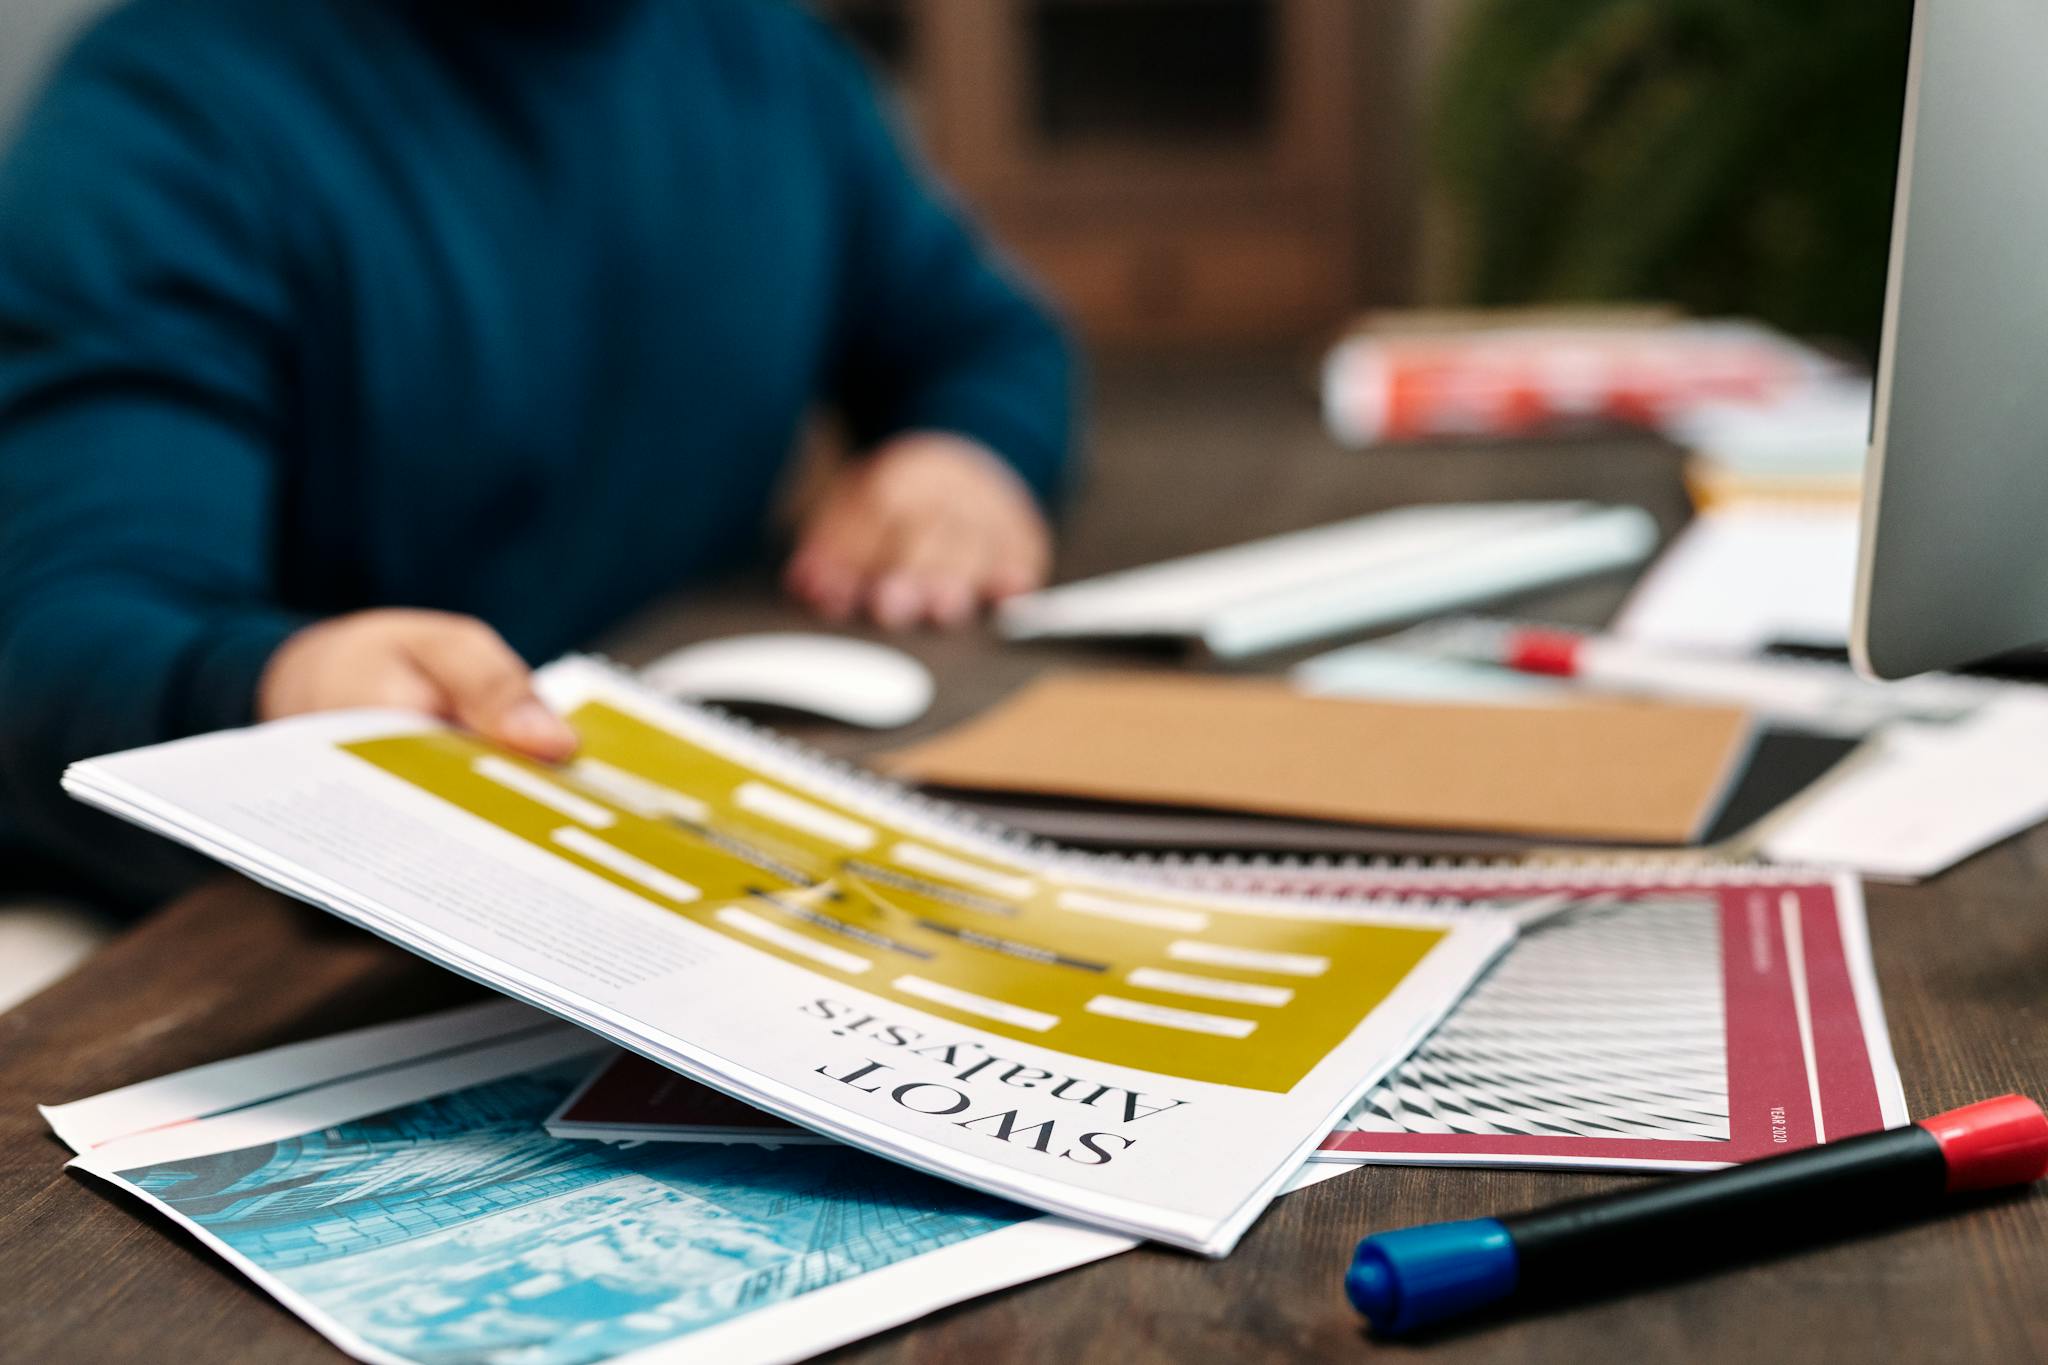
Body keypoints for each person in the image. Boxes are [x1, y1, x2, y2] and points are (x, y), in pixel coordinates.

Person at [0, 0, 1077, 911]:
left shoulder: (761, 50)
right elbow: (63, 637)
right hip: (267, 907)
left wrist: (964, 454)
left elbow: (987, 336)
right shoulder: (167, 118)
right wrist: (277, 682)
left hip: (657, 811)